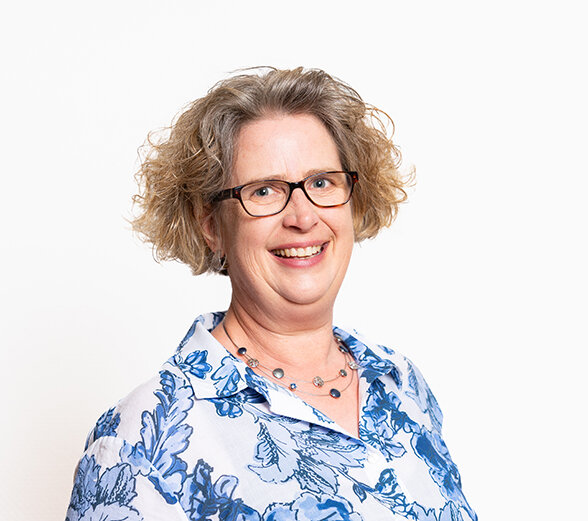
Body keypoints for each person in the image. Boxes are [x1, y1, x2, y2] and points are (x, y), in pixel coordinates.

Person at [65, 67, 477, 521]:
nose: (303, 217)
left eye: (321, 183)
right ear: (211, 226)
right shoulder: (141, 440)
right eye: (264, 191)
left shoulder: (401, 385)